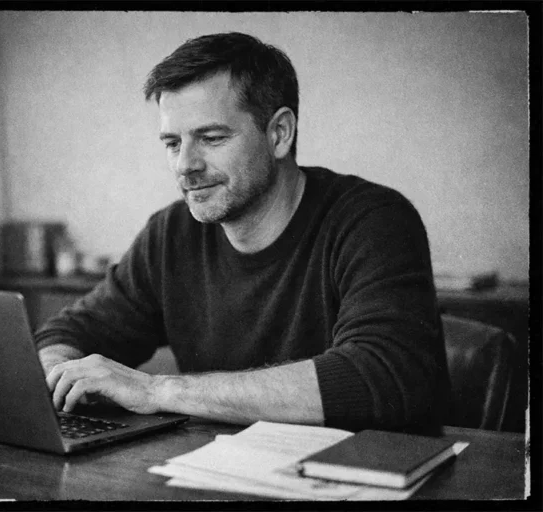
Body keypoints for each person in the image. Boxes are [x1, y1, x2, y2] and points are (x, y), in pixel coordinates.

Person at [36, 32, 449, 433]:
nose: (185, 165)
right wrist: (59, 376)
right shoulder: (171, 233)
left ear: (279, 134)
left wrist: (156, 390)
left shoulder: (374, 221)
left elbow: (382, 376)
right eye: (172, 143)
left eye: (211, 138)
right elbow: (67, 334)